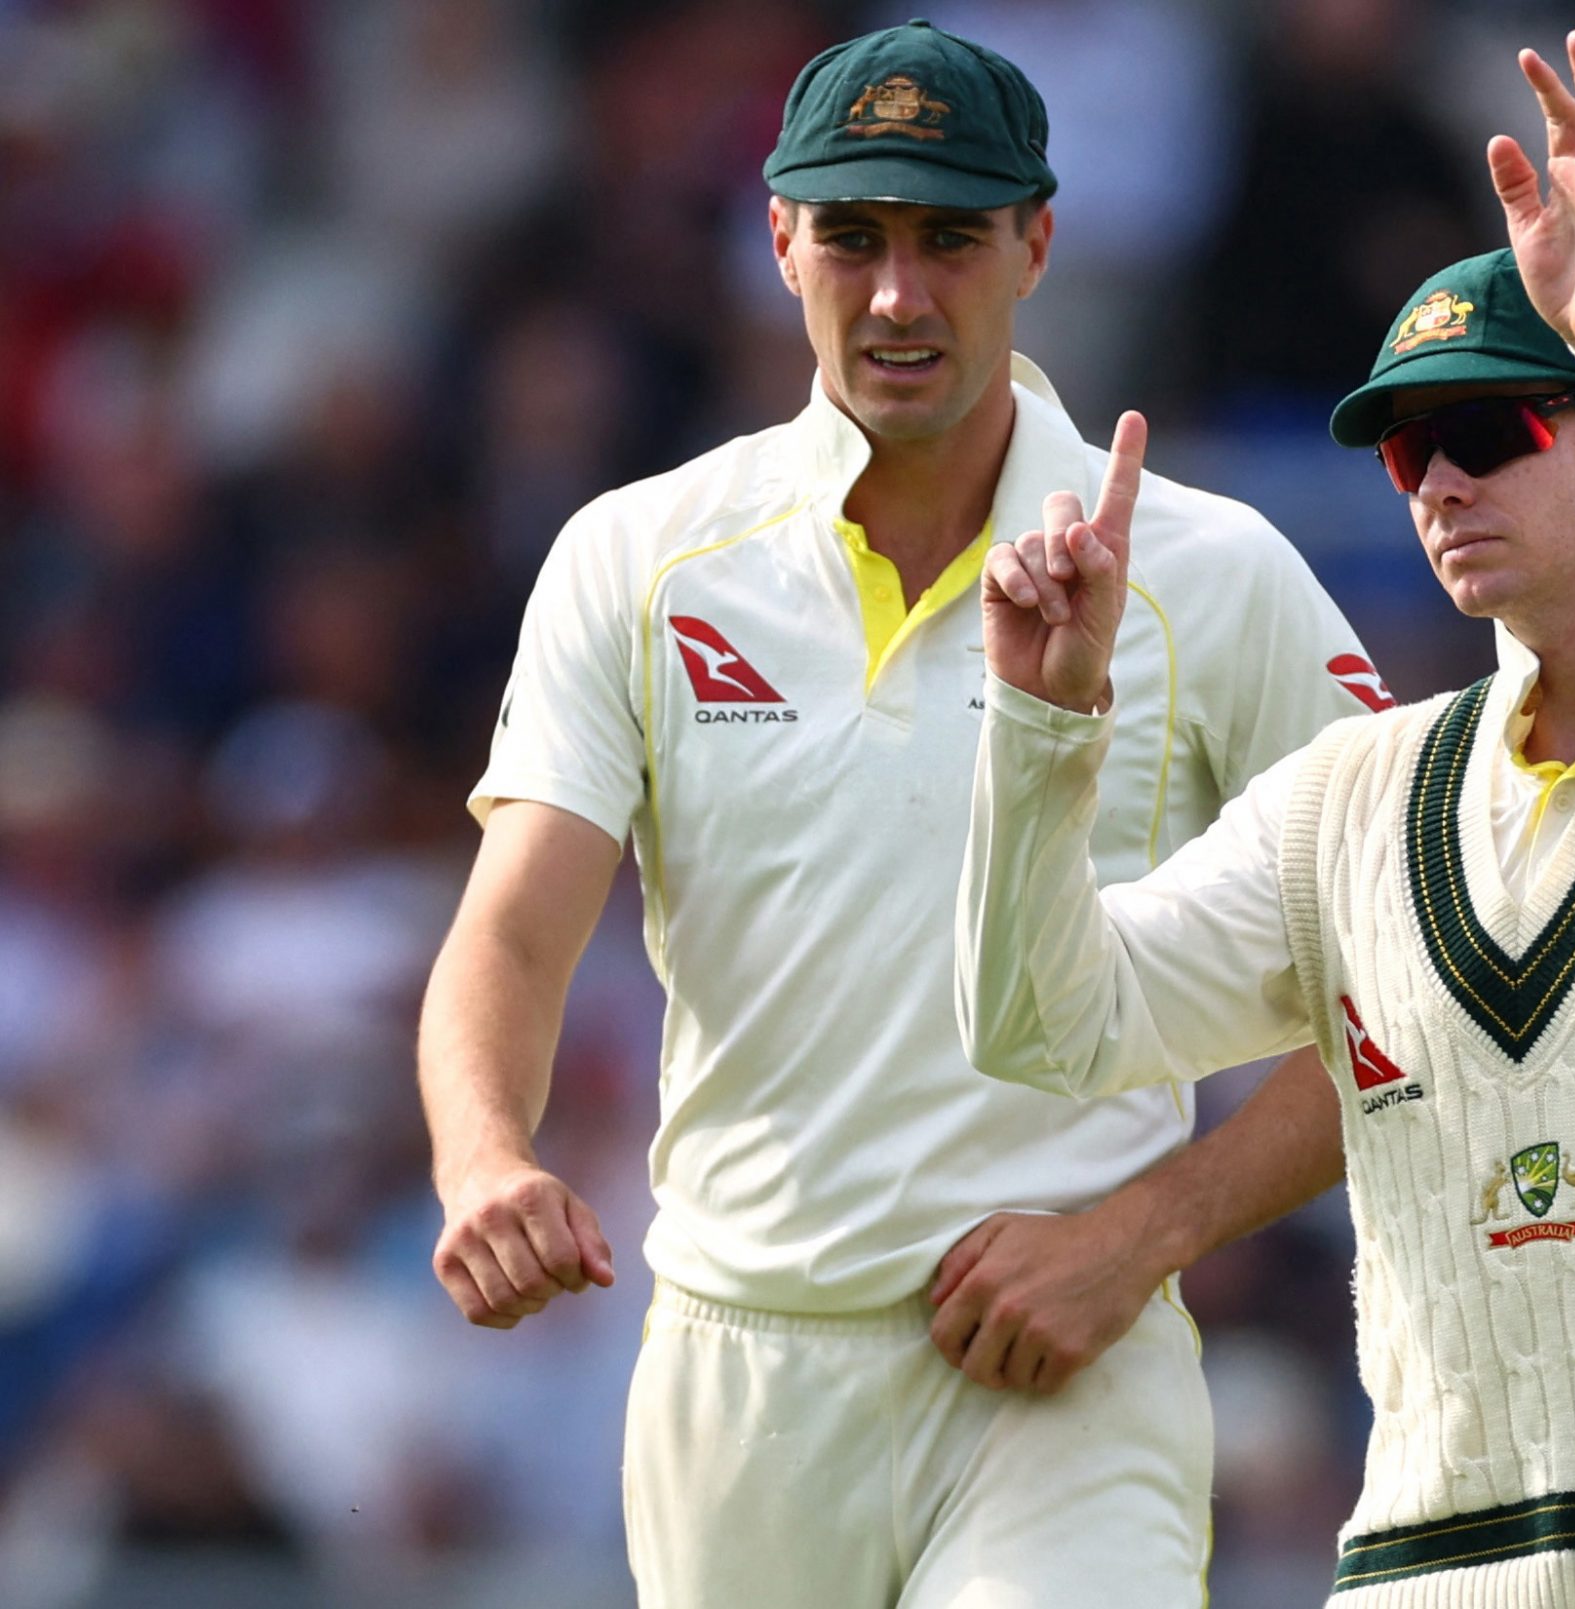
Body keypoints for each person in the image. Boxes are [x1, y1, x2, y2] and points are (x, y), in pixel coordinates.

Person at [959, 31, 1575, 1606]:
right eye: (1411, 449)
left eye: (1489, 430)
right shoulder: (1357, 791)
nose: (1437, 482)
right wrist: (1040, 726)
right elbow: (1041, 1021)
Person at [416, 21, 1380, 1609]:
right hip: (737, 1377)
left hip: (1063, 1368)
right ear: (779, 236)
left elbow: (1419, 966)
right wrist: (483, 1161)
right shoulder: (637, 556)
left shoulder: (1212, 571)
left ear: (1039, 245)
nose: (896, 295)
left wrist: (1146, 1231)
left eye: (950, 239)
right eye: (853, 236)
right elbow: (512, 929)